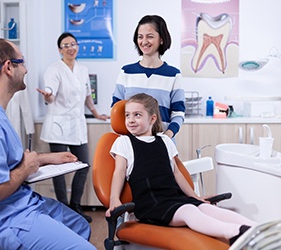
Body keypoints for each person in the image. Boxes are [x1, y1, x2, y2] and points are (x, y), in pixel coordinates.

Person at [0, 38, 96, 250]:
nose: (26, 70)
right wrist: (25, 169)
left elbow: (5, 160)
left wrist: (44, 158)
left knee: (80, 226)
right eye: (22, 62)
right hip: (3, 219)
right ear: (9, 67)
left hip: (19, 202)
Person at [106, 93, 257, 245]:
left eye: (137, 115)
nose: (131, 120)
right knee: (188, 211)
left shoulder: (164, 140)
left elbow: (176, 172)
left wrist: (194, 196)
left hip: (174, 198)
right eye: (127, 115)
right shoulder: (124, 142)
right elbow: (119, 172)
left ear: (152, 119)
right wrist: (114, 199)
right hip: (151, 205)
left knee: (205, 208)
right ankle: (235, 233)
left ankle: (257, 230)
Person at [37, 32, 109, 223]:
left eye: (73, 44)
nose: (71, 48)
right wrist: (47, 96)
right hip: (58, 125)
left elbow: (87, 95)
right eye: (66, 45)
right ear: (60, 50)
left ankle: (75, 206)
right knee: (58, 170)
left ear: (77, 46)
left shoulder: (82, 69)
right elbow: (51, 92)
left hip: (77, 125)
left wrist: (95, 113)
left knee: (83, 165)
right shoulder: (54, 69)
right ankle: (62, 210)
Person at [111, 15, 185, 139]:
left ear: (161, 39)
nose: (144, 42)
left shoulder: (173, 75)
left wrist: (167, 137)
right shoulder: (126, 72)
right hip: (131, 144)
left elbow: (178, 113)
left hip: (162, 142)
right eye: (140, 37)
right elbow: (116, 109)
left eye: (150, 36)